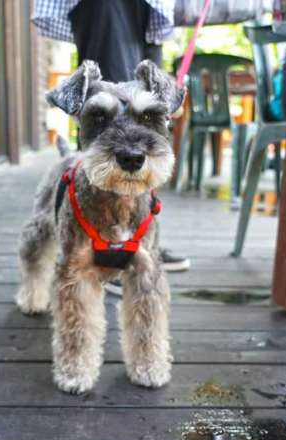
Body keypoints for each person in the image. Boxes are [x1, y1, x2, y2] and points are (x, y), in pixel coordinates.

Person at [32, 0, 191, 285]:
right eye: (100, 121)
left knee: (140, 93)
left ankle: (133, 246)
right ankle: (108, 253)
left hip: (152, 9)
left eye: (150, 119)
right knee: (110, 86)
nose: (131, 148)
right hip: (108, 6)